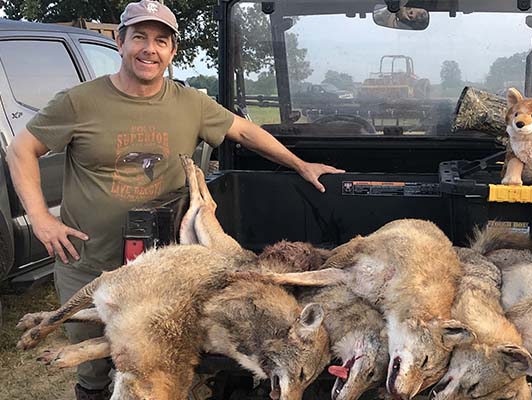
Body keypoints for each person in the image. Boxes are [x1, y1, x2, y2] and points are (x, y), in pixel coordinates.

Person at [5, 1, 343, 399]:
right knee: (94, 368)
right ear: (120, 41)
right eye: (140, 38)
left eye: (161, 41)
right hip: (91, 259)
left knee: (157, 363)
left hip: (168, 271)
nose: (150, 49)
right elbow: (21, 150)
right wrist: (40, 217)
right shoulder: (79, 101)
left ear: (172, 51)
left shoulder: (191, 103)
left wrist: (299, 164)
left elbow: (246, 132)